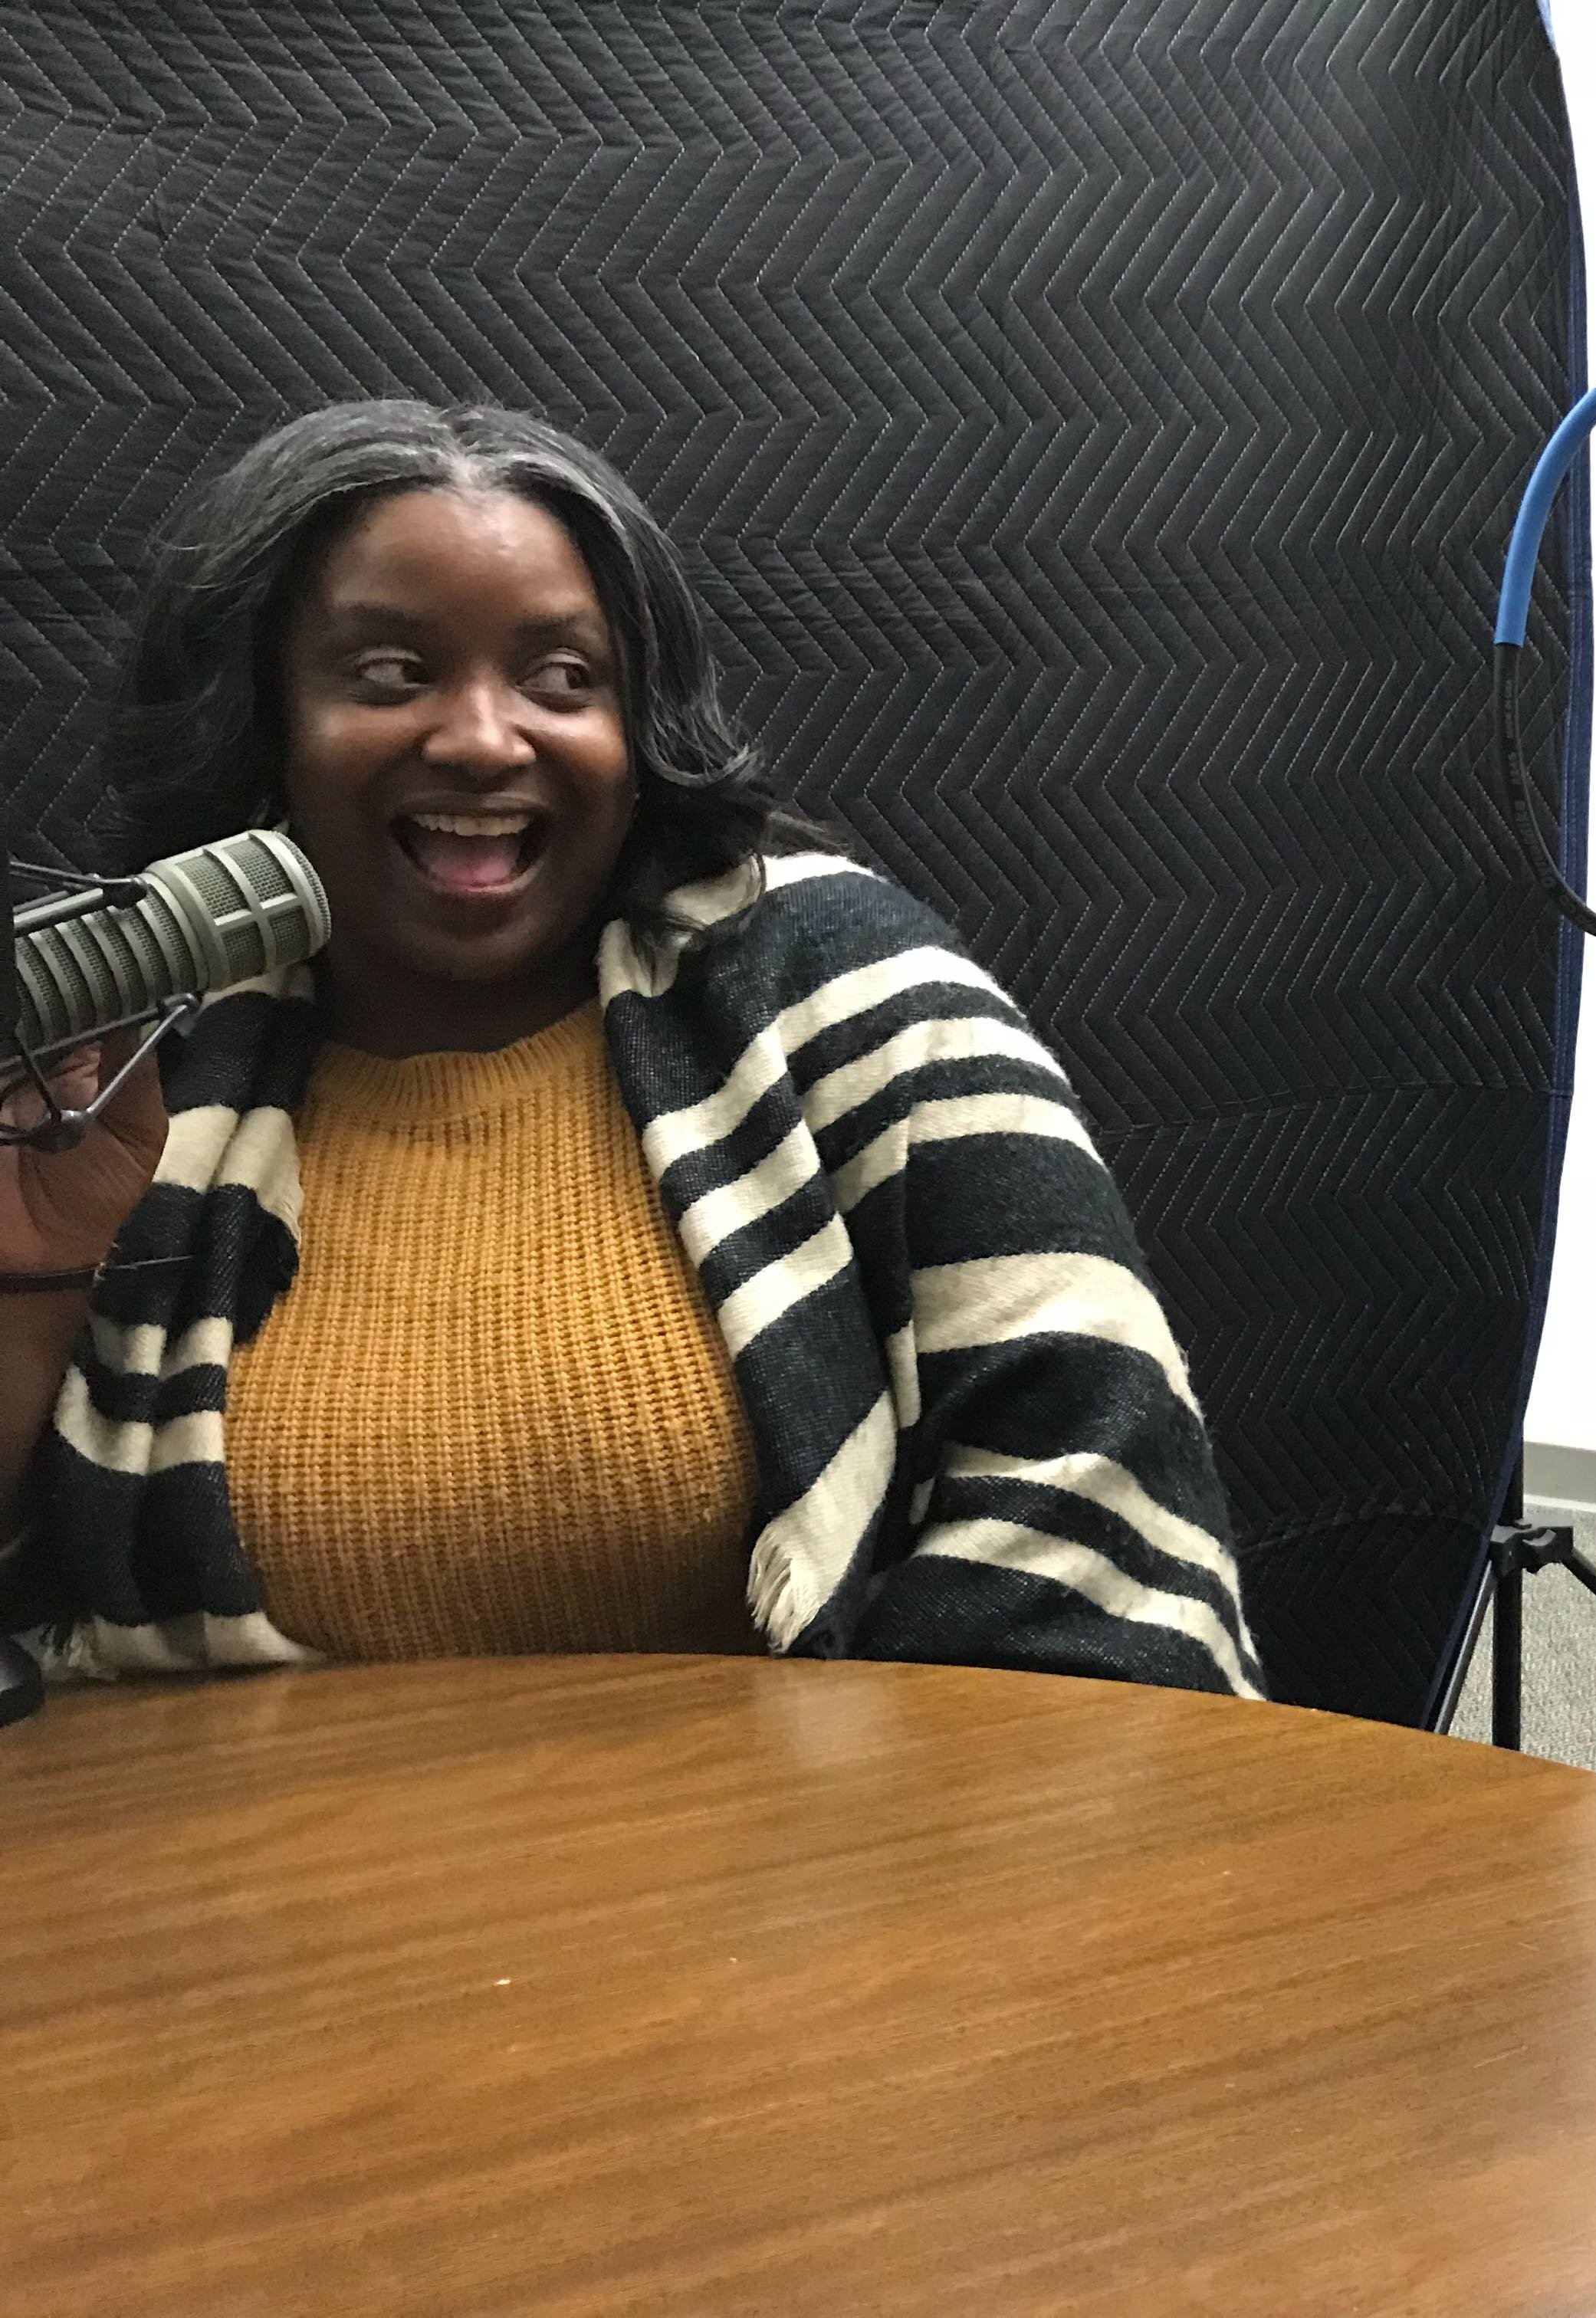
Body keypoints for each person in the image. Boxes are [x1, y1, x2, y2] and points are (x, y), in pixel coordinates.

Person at [0, 400, 1260, 1700]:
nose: (485, 739)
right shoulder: (135, 1068)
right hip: (227, 1878)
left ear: (639, 725)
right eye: (390, 674)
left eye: (562, 679)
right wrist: (28, 1274)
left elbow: (1087, 1489)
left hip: (808, 1879)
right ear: (268, 722)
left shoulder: (842, 991)